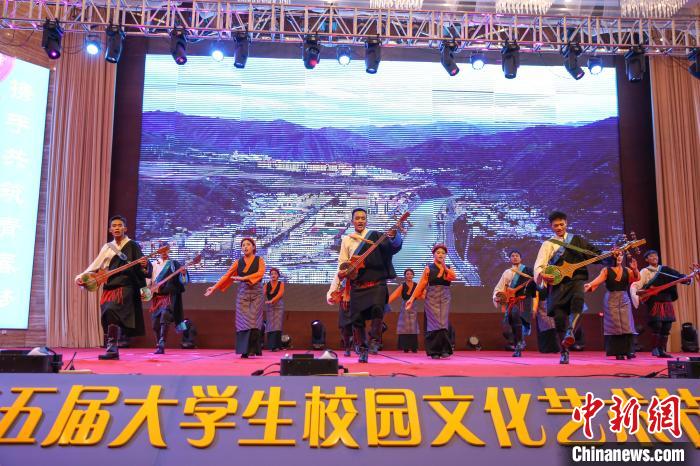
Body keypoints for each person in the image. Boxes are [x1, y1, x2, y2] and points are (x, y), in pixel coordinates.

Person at [326, 208, 402, 363]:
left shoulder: (376, 236)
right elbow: (342, 264)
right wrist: (336, 285)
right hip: (357, 285)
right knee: (357, 319)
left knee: (377, 309)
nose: (360, 220)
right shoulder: (347, 240)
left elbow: (393, 247)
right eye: (357, 218)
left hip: (376, 283)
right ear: (352, 221)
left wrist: (394, 235)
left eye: (363, 218)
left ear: (366, 220)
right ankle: (362, 349)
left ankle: (375, 340)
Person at [533, 211, 605, 364]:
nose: (559, 227)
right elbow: (539, 265)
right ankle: (564, 351)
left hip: (576, 280)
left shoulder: (577, 240)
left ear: (566, 223)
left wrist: (612, 256)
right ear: (551, 227)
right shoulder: (548, 244)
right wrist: (543, 275)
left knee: (578, 301)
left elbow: (596, 254)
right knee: (559, 318)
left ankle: (570, 331)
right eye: (556, 225)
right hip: (557, 284)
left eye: (561, 224)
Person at [75, 215, 150, 360]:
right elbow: (95, 265)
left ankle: (112, 347)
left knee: (112, 310)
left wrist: (145, 265)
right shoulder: (107, 247)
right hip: (109, 286)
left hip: (125, 287)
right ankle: (113, 348)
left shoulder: (132, 245)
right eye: (114, 226)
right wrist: (81, 277)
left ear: (125, 228)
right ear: (110, 230)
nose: (117, 228)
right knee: (108, 314)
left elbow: (144, 267)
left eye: (119, 225)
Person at [205, 237, 266, 358]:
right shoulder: (238, 262)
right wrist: (214, 287)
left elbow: (260, 273)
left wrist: (243, 278)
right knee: (243, 320)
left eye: (248, 244)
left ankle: (252, 349)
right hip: (243, 292)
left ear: (253, 247)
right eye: (243, 245)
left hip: (257, 292)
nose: (245, 247)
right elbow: (227, 275)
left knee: (254, 320)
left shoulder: (259, 260)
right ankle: (244, 350)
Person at [630, 250, 691, 358]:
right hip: (655, 301)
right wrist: (635, 290)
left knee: (667, 326)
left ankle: (662, 350)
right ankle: (655, 349)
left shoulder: (666, 270)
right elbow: (639, 283)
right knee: (657, 325)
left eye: (656, 255)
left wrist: (687, 279)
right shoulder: (645, 271)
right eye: (651, 256)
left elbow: (678, 276)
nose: (654, 257)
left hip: (666, 301)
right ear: (646, 259)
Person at [584, 252, 639, 360]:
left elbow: (636, 278)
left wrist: (635, 269)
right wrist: (590, 284)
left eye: (621, 255)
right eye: (616, 256)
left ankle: (629, 351)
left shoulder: (627, 270)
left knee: (627, 324)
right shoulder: (606, 270)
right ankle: (618, 352)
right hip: (611, 299)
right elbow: (599, 279)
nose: (619, 257)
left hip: (624, 298)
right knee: (615, 326)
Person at [406, 244, 456, 359]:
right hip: (432, 297)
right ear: (434, 254)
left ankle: (444, 350)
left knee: (443, 323)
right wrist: (412, 299)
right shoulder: (429, 268)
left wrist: (444, 267)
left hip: (445, 297)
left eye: (443, 253)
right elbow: (421, 284)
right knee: (434, 324)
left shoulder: (449, 267)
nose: (440, 255)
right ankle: (434, 351)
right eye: (438, 252)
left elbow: (452, 277)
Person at [493, 250, 535, 357]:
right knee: (513, 324)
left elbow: (535, 284)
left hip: (523, 300)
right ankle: (518, 345)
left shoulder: (528, 270)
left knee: (518, 317)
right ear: (510, 259)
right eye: (512, 256)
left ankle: (519, 343)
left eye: (517, 255)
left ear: (521, 258)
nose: (515, 257)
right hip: (511, 301)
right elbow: (499, 287)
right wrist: (497, 296)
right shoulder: (507, 272)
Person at [148, 246, 189, 355]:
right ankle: (158, 343)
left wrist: (183, 273)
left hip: (169, 296)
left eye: (166, 250)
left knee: (165, 315)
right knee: (155, 324)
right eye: (162, 250)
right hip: (156, 297)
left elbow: (183, 281)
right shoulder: (153, 264)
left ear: (169, 251)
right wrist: (146, 291)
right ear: (158, 251)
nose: (164, 252)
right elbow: (148, 280)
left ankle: (162, 343)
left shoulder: (174, 264)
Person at [388, 268, 420, 353]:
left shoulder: (417, 285)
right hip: (405, 307)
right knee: (404, 327)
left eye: (411, 274)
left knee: (413, 327)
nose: (409, 275)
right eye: (407, 274)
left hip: (413, 306)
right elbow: (394, 295)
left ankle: (413, 347)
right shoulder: (403, 285)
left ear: (413, 275)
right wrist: (385, 302)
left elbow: (423, 294)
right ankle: (405, 347)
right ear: (405, 276)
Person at [263, 268, 285, 351]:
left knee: (277, 325)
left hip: (278, 306)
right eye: (272, 274)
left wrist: (272, 300)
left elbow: (280, 294)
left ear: (278, 275)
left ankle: (276, 345)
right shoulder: (266, 285)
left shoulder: (281, 284)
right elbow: (262, 294)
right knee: (270, 325)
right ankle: (271, 346)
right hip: (270, 306)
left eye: (275, 274)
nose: (273, 275)